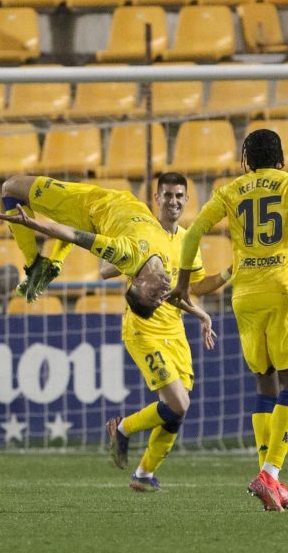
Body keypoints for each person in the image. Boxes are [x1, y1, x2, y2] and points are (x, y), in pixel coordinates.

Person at [171, 129, 288, 512]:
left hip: (244, 296)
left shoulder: (231, 190)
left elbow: (192, 234)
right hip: (281, 290)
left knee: (265, 385)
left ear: (246, 160)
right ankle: (270, 473)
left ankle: (270, 479)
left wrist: (183, 283)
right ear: (281, 159)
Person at [100, 173, 232, 492]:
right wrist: (135, 259)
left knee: (176, 408)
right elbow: (104, 270)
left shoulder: (188, 241)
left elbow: (191, 288)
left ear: (187, 200)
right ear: (156, 199)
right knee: (179, 402)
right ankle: (125, 428)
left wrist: (230, 275)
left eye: (179, 196)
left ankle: (144, 473)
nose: (173, 201)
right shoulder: (142, 231)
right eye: (167, 195)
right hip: (142, 327)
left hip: (174, 329)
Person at [0, 174, 215, 329]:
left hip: (85, 206)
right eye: (161, 296)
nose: (163, 291)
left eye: (153, 294)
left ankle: (34, 263)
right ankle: (57, 263)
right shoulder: (167, 251)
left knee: (10, 187)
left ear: (139, 282)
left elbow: (73, 234)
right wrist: (202, 315)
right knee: (108, 269)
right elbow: (175, 297)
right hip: (109, 208)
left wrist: (33, 224)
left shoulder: (126, 253)